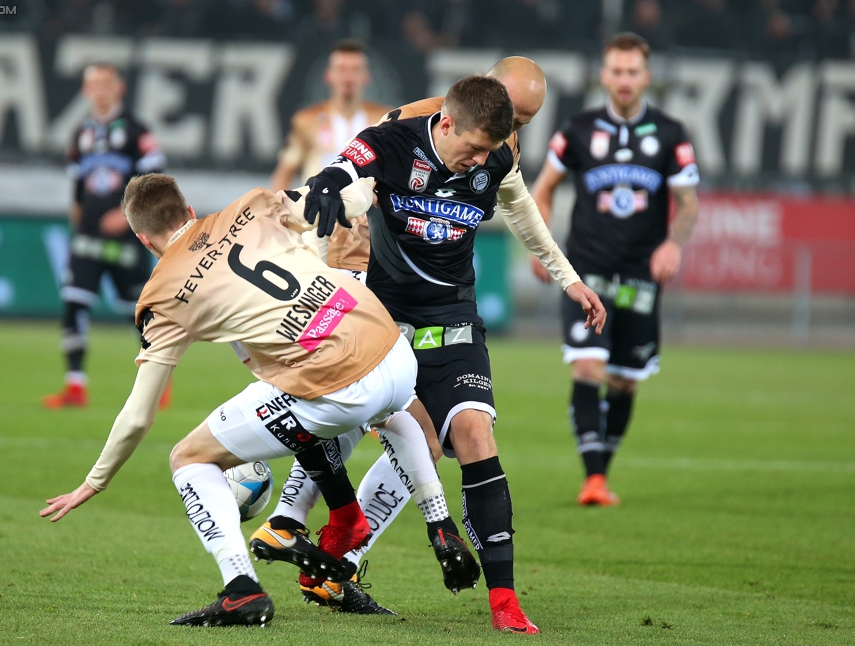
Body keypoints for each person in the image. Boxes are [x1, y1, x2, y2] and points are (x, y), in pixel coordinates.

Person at [40, 173, 478, 628]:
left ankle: (241, 589)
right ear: (190, 211)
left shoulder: (162, 295)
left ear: (142, 238)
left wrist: (94, 482)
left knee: (189, 457)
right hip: (393, 351)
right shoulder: (252, 206)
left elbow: (137, 416)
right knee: (359, 404)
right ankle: (437, 521)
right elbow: (346, 199)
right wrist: (370, 182)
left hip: (337, 385)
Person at [257, 57, 591, 620]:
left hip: (451, 316)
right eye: (515, 118)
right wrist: (328, 221)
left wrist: (569, 277)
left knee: (449, 436)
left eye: (524, 123)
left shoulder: (495, 154)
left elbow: (520, 206)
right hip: (368, 291)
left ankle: (352, 556)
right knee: (380, 420)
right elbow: (351, 178)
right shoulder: (404, 128)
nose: (515, 133)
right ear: (464, 108)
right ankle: (293, 520)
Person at [530, 33, 699, 506]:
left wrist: (673, 243)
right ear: (603, 75)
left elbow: (687, 205)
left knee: (624, 378)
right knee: (588, 365)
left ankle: (600, 473)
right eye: (616, 71)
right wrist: (544, 249)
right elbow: (542, 190)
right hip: (588, 272)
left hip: (641, 276)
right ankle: (594, 479)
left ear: (646, 77)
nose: (624, 80)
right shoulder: (578, 130)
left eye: (632, 72)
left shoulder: (670, 133)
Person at [43, 63, 167, 409]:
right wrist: (77, 209)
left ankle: (159, 379)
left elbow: (155, 179)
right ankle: (75, 386)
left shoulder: (136, 130)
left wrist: (127, 214)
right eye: (93, 85)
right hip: (87, 238)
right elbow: (78, 184)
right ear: (85, 91)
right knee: (73, 302)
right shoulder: (80, 133)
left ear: (119, 88)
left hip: (127, 238)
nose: (99, 91)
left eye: (105, 84)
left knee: (139, 312)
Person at [270, 38, 389, 274]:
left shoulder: (383, 119)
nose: (348, 77)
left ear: (366, 77)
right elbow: (284, 172)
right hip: (316, 221)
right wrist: (278, 218)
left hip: (364, 230)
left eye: (355, 70)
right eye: (341, 69)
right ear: (329, 76)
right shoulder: (306, 120)